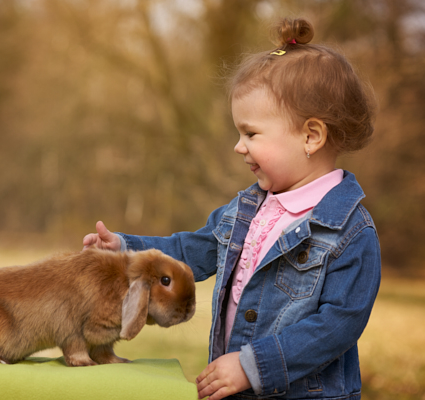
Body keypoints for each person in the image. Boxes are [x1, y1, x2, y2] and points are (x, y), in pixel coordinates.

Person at [83, 17, 381, 400]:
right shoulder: (247, 209)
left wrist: (251, 365)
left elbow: (337, 326)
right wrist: (123, 250)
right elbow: (191, 250)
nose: (239, 147)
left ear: (311, 136)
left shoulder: (349, 232)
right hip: (235, 388)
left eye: (251, 133)